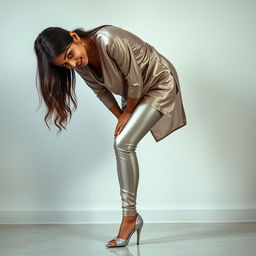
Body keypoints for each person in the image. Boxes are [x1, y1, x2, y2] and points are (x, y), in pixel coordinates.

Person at [33, 24, 187, 248]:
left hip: (157, 83)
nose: (73, 64)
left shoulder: (108, 40)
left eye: (70, 55)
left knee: (123, 144)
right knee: (122, 143)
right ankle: (131, 217)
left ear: (75, 37)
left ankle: (130, 219)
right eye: (65, 64)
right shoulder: (81, 66)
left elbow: (135, 80)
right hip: (134, 95)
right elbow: (101, 92)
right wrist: (120, 116)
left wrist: (127, 112)